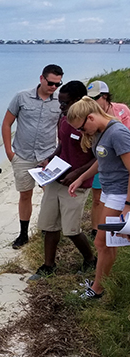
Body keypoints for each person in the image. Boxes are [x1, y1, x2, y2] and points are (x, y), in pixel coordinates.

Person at [29, 81, 96, 281]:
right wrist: (49, 159)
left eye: (65, 104)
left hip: (77, 184)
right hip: (57, 178)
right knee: (48, 224)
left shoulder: (89, 126)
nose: (61, 108)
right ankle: (48, 265)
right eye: (60, 103)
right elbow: (62, 146)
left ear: (78, 101)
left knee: (71, 229)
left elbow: (98, 158)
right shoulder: (64, 120)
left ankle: (90, 259)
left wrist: (78, 174)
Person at [68, 97, 130, 299]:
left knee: (101, 243)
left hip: (120, 193)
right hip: (108, 190)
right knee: (107, 244)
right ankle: (99, 284)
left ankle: (97, 289)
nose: (83, 133)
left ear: (91, 117)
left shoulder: (118, 133)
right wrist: (82, 177)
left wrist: (127, 205)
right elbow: (102, 160)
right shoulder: (101, 132)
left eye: (82, 129)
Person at [2, 64, 64, 249]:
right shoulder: (21, 97)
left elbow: (62, 130)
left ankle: (48, 228)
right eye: (51, 83)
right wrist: (9, 153)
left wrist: (59, 154)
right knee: (25, 195)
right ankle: (23, 234)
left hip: (48, 155)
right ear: (41, 78)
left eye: (58, 84)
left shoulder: (60, 101)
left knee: (50, 194)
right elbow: (6, 124)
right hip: (22, 155)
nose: (54, 87)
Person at [86, 80, 130, 239]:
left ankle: (105, 233)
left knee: (115, 201)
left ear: (105, 96)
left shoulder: (121, 110)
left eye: (95, 98)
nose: (92, 103)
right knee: (97, 198)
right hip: (102, 160)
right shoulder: (91, 116)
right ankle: (96, 229)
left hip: (119, 161)